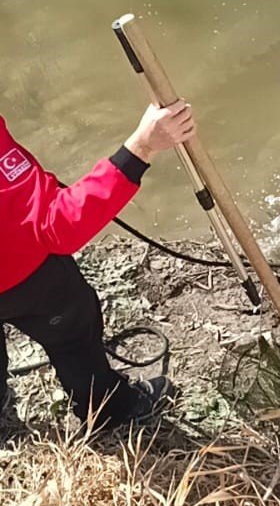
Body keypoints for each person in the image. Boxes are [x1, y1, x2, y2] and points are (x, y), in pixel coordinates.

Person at [0, 101, 196, 427]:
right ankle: (108, 411)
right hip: (30, 280)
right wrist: (141, 147)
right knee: (73, 339)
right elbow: (59, 227)